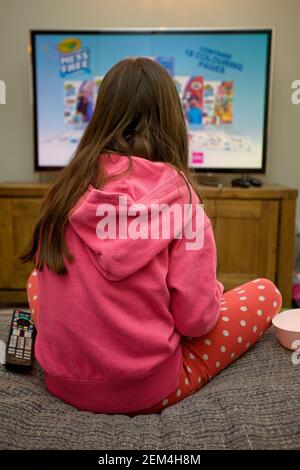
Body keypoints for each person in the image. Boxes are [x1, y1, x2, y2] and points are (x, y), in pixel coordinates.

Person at [20, 57, 282, 415]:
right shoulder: (186, 202)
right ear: (173, 120)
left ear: (103, 116)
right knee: (266, 292)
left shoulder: (64, 191)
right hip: (146, 389)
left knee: (37, 281)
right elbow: (195, 322)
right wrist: (212, 293)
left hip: (61, 381)